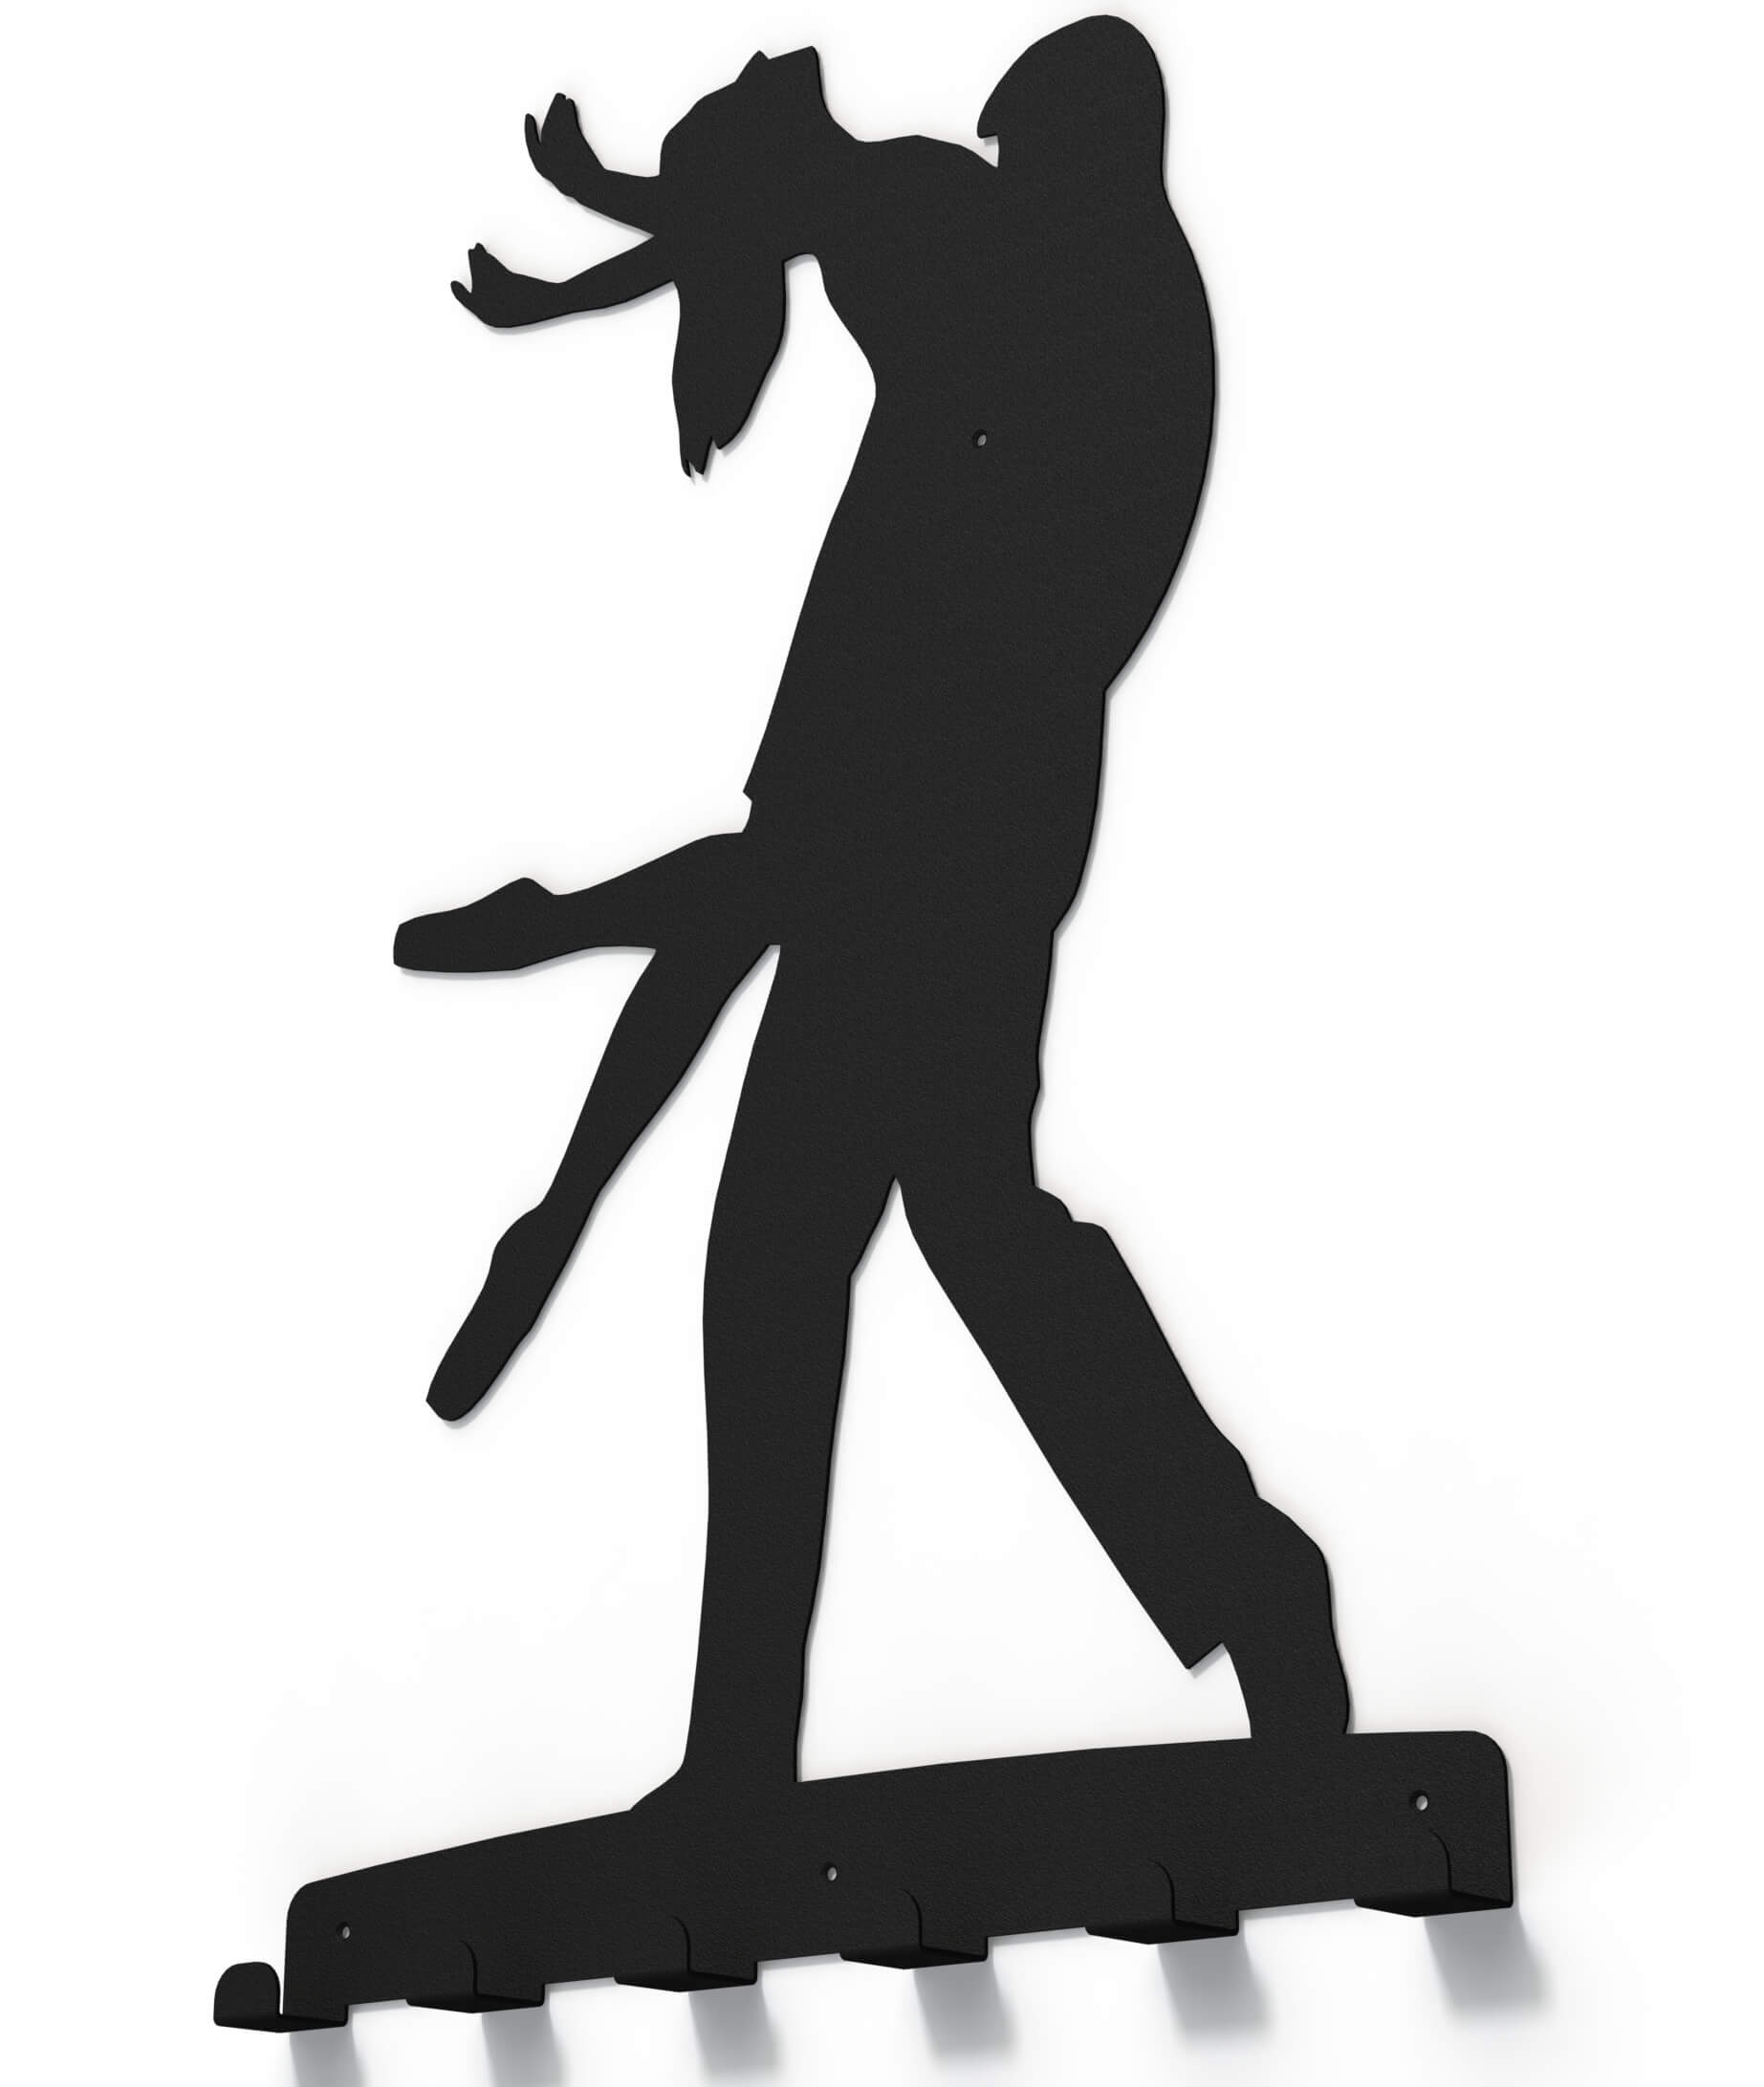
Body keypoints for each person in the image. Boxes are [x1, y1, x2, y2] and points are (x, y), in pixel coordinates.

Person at [404, 18, 1349, 1799]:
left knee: (893, 1241)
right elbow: (798, 211)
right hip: (925, 814)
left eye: (1021, 150)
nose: (993, 175)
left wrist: (623, 219)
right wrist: (626, 226)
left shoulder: (1069, 297)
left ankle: (1238, 1585)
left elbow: (817, 205)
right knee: (857, 1249)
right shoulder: (1060, 293)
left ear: (1082, 147)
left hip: (940, 830)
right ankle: (759, 1749)